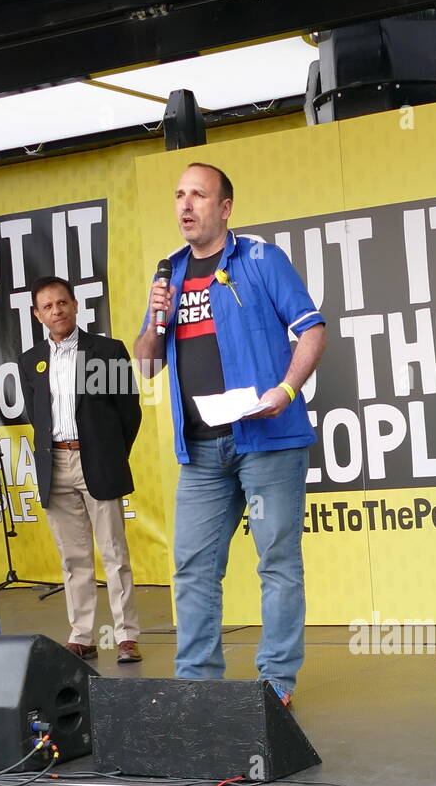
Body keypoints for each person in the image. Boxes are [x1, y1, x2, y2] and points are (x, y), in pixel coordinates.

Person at [134, 162, 327, 706]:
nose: (185, 205)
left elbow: (313, 330)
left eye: (198, 194)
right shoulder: (167, 273)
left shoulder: (260, 259)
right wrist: (155, 322)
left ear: (224, 208)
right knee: (193, 567)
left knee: (277, 561)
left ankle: (275, 684)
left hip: (266, 439)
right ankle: (196, 683)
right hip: (198, 449)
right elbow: (147, 366)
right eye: (178, 195)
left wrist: (286, 391)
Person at [19, 276, 143, 663]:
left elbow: (129, 412)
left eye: (62, 303)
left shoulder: (106, 351)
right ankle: (83, 634)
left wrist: (109, 453)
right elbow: (35, 414)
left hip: (98, 460)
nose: (56, 311)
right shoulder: (30, 360)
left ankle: (126, 636)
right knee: (73, 559)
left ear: (75, 305)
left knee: (114, 553)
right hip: (54, 464)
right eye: (48, 307)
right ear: (37, 315)